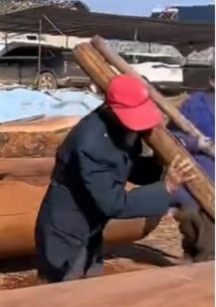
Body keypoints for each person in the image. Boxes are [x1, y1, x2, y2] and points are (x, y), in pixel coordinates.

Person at [34, 74, 196, 283]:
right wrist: (166, 188)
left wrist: (159, 163)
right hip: (67, 227)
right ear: (110, 108)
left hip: (92, 224)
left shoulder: (119, 128)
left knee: (92, 284)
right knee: (62, 292)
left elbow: (126, 167)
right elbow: (114, 203)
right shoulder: (91, 144)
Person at [168, 68, 214, 263]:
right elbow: (171, 138)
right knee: (193, 219)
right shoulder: (192, 106)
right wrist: (200, 144)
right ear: (213, 81)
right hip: (196, 178)